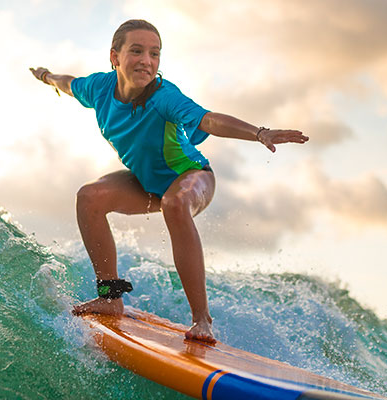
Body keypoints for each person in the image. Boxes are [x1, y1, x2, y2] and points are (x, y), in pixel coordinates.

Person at [30, 19, 308, 343]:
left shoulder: (164, 96)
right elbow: (70, 83)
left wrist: (259, 133)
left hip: (192, 176)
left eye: (154, 53)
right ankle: (109, 297)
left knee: (174, 203)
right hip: (147, 184)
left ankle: (202, 320)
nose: (147, 61)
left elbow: (209, 119)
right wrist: (48, 77)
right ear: (114, 57)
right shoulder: (99, 88)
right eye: (136, 51)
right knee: (89, 197)